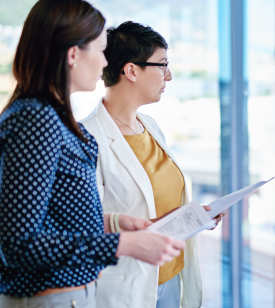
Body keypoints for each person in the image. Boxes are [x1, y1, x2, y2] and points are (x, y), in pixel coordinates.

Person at [0, 1, 185, 307]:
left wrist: (115, 222)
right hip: (53, 298)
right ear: (73, 55)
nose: (104, 64)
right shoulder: (37, 119)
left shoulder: (46, 115)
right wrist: (123, 243)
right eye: (100, 51)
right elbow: (19, 244)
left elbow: (50, 216)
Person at [80, 21, 224, 308]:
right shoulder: (86, 137)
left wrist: (192, 217)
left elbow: (156, 200)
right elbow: (84, 222)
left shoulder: (150, 126)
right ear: (131, 70)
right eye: (161, 65)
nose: (168, 76)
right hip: (126, 286)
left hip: (170, 274)